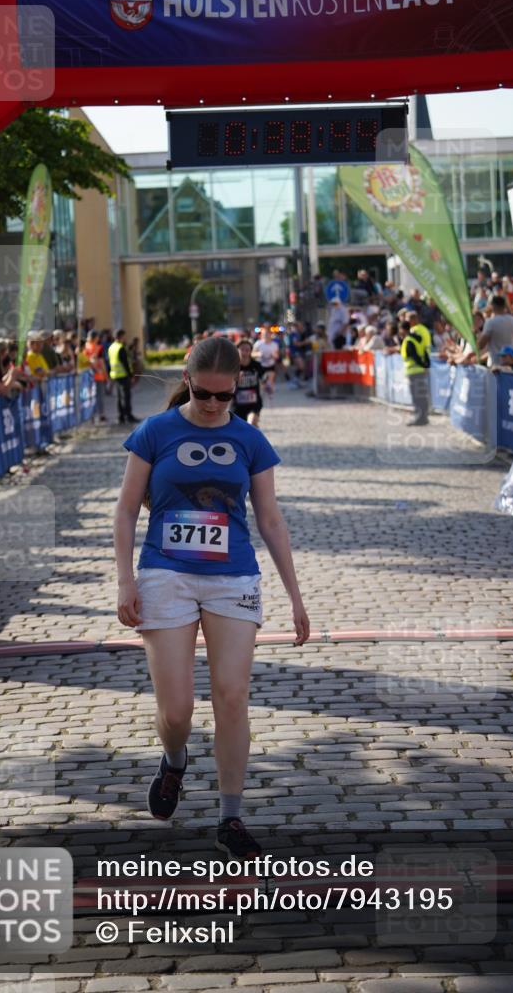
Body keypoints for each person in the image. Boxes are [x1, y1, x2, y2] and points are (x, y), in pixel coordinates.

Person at [114, 336, 310, 859]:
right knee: (176, 710)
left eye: (225, 396)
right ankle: (174, 759)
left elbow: (270, 519)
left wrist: (294, 595)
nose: (213, 405)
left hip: (233, 580)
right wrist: (124, 580)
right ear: (187, 377)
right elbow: (127, 510)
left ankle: (230, 815)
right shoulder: (154, 432)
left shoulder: (250, 440)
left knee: (231, 695)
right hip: (165, 575)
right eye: (204, 393)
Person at [400, 319, 430, 426]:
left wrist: (423, 364)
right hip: (420, 371)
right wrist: (426, 365)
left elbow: (414, 356)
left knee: (417, 396)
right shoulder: (419, 339)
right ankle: (423, 417)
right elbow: (425, 352)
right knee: (421, 395)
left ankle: (420, 418)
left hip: (413, 371)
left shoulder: (409, 341)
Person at [478, 295, 513, 367]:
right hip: (512, 364)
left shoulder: (491, 322)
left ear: (493, 306)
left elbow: (481, 345)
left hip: (497, 366)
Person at [108, 329, 139, 424]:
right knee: (126, 397)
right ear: (121, 336)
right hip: (123, 375)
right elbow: (125, 363)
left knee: (119, 397)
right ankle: (128, 416)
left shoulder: (111, 347)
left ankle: (121, 416)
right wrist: (131, 375)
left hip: (115, 375)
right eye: (124, 336)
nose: (125, 338)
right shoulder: (120, 348)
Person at [233, 338, 265, 427]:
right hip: (237, 404)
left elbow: (264, 378)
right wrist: (235, 379)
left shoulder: (256, 365)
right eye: (242, 349)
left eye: (247, 350)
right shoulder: (232, 366)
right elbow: (224, 384)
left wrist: (268, 384)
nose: (244, 352)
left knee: (252, 423)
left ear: (251, 351)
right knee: (240, 428)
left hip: (254, 403)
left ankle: (255, 438)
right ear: (237, 350)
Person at [84, 330, 109, 422]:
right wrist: (106, 376)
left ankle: (91, 416)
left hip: (87, 377)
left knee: (90, 397)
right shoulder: (99, 348)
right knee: (99, 396)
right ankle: (101, 414)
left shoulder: (85, 347)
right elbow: (102, 363)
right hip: (98, 376)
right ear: (95, 338)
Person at [252, 326, 279, 398]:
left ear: (270, 334)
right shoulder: (258, 343)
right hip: (261, 365)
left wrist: (274, 356)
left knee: (270, 381)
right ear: (261, 335)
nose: (266, 335)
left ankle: (270, 394)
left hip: (270, 365)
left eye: (267, 334)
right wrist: (258, 354)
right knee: (262, 382)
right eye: (264, 334)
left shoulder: (274, 344)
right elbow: (252, 354)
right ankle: (262, 393)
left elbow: (277, 356)